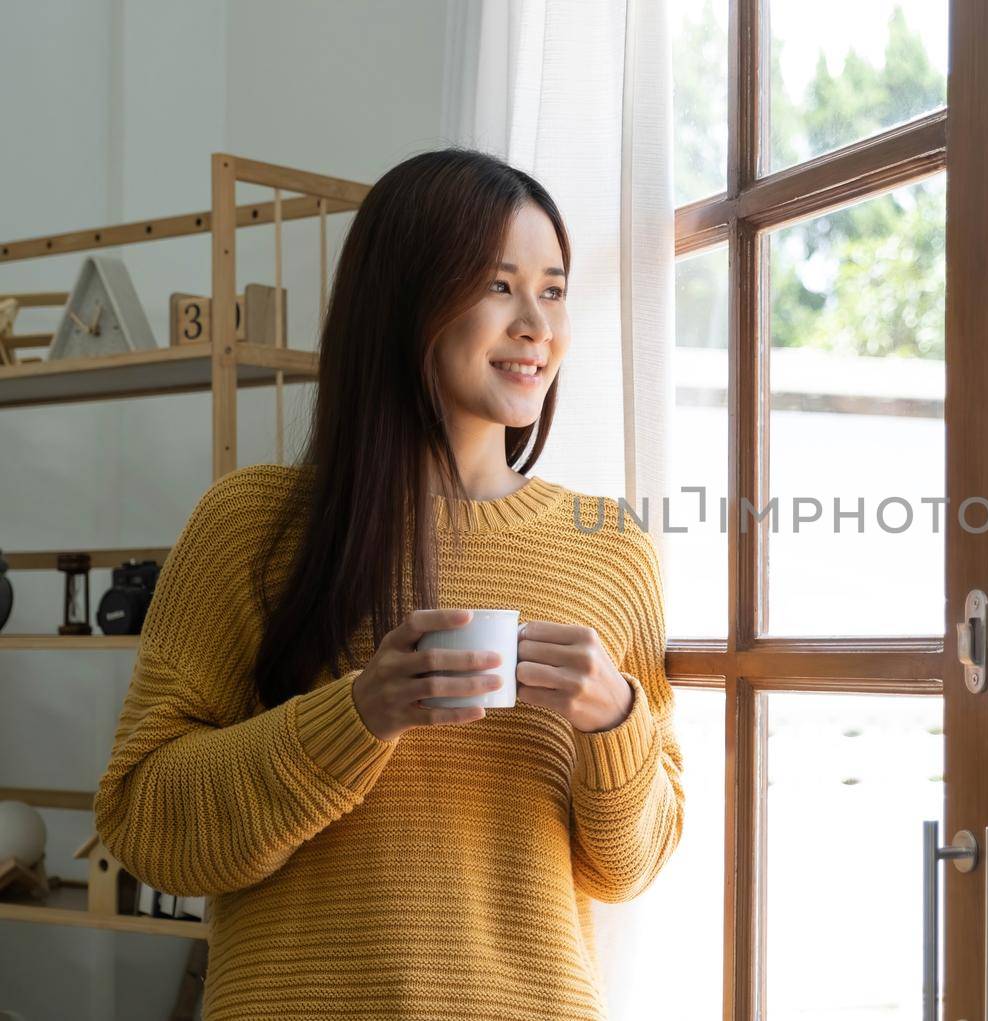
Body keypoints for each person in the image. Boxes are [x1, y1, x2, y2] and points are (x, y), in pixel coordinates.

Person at [92, 148, 684, 1020]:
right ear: (405, 297)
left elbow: (627, 867)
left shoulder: (608, 549)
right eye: (497, 284)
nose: (537, 325)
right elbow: (145, 821)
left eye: (553, 289)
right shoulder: (252, 527)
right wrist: (358, 714)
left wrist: (616, 718)